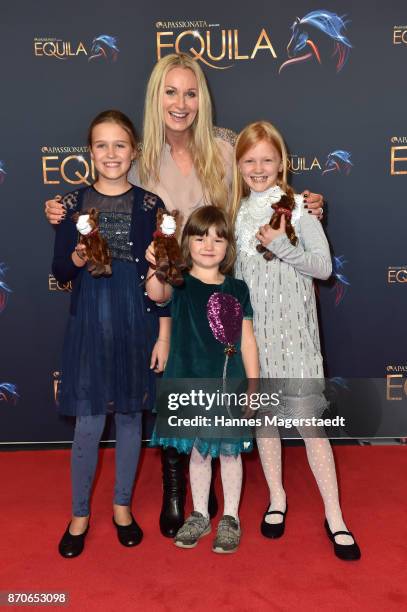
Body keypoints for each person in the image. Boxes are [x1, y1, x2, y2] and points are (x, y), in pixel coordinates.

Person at [44, 52, 325, 538]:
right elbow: (105, 191)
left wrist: (303, 202)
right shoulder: (139, 153)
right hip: (165, 291)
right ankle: (178, 484)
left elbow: (264, 185)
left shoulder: (223, 146)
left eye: (190, 92)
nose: (181, 102)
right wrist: (64, 206)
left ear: (202, 99)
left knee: (219, 377)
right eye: (171, 92)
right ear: (157, 97)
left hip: (220, 286)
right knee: (174, 384)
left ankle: (215, 472)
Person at [231, 121, 361, 560]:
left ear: (281, 162)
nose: (259, 168)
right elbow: (235, 280)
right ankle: (277, 499)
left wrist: (282, 245)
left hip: (299, 338)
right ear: (239, 164)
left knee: (310, 426)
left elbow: (323, 268)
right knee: (266, 422)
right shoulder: (237, 215)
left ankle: (335, 515)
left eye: (267, 159)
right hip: (258, 339)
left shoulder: (302, 208)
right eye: (250, 160)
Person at [52, 110, 170, 558]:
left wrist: (161, 333)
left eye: (120, 145)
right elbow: (59, 269)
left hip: (133, 317)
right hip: (89, 320)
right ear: (90, 152)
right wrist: (79, 257)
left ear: (134, 150)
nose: (111, 154)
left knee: (128, 418)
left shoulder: (150, 205)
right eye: (102, 145)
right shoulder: (70, 204)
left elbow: (163, 275)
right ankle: (79, 512)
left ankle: (122, 506)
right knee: (88, 420)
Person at [145, 206, 259, 553]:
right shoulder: (178, 284)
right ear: (186, 242)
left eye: (218, 238)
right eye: (200, 237)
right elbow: (155, 294)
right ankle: (198, 514)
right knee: (196, 453)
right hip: (186, 383)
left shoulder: (238, 288)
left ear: (228, 246)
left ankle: (231, 517)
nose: (209, 245)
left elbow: (247, 339)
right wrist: (156, 264)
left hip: (228, 384)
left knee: (229, 455)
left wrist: (254, 384)